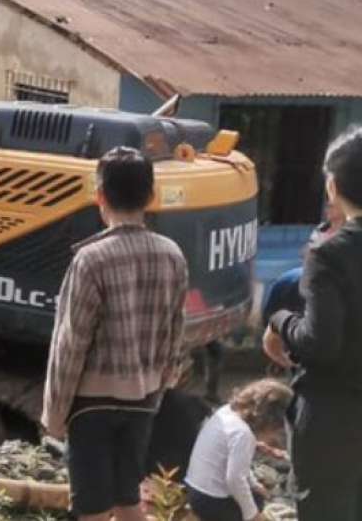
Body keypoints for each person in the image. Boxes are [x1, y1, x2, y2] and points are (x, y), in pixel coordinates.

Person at [41, 146, 189, 521]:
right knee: (128, 501)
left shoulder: (91, 259)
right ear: (151, 196)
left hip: (92, 404)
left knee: (92, 509)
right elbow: (176, 330)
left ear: (100, 196)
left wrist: (54, 415)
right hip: (143, 400)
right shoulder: (172, 254)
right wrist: (162, 383)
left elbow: (70, 344)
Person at [264, 125, 362, 521]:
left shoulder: (331, 253)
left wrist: (280, 320)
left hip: (334, 420)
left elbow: (320, 343)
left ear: (332, 187)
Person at [184, 379, 291, 521]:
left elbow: (239, 467)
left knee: (255, 494)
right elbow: (235, 479)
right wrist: (252, 515)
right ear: (269, 420)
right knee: (256, 502)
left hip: (194, 491)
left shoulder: (227, 411)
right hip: (211, 500)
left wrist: (254, 484)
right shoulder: (243, 434)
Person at [260, 199, 345, 326]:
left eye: (331, 207)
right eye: (327, 207)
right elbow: (306, 251)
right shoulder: (321, 229)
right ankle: (270, 323)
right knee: (283, 284)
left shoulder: (348, 235)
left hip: (331, 278)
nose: (327, 210)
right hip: (312, 272)